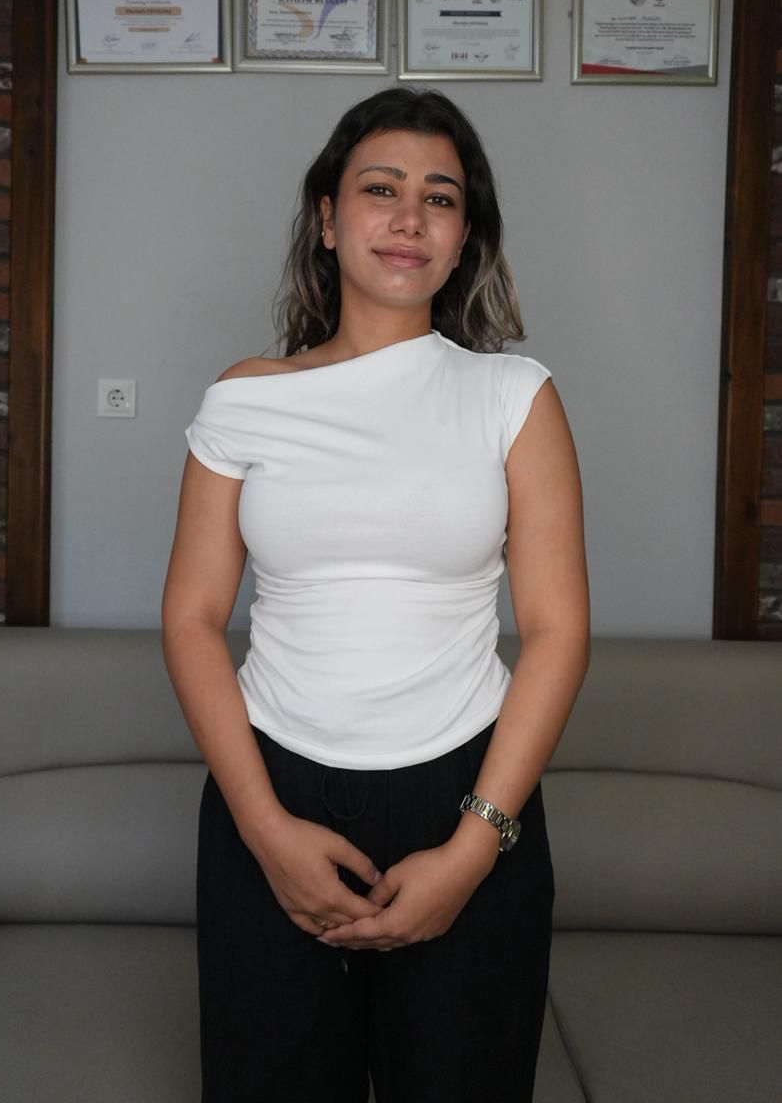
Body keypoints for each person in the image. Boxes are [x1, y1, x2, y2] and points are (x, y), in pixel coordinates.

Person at [161, 86, 590, 1103]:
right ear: (327, 218)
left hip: (465, 791)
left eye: (439, 198)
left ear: (463, 237)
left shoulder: (513, 396)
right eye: (380, 189)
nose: (409, 218)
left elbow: (557, 631)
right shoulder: (244, 398)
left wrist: (471, 850)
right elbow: (190, 618)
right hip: (272, 784)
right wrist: (265, 829)